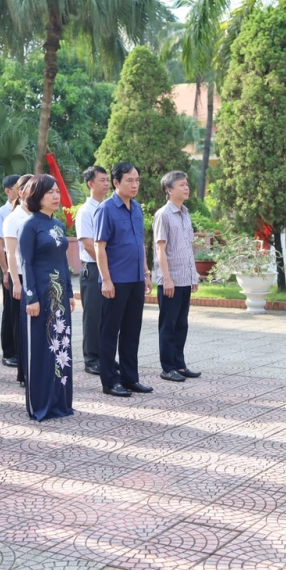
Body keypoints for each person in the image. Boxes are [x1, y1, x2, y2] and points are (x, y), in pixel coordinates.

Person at [94, 162, 153, 398]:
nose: (135, 184)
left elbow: (140, 244)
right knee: (110, 332)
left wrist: (146, 273)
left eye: (137, 180)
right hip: (115, 281)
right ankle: (110, 381)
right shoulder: (106, 209)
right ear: (116, 182)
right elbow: (100, 247)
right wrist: (106, 280)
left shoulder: (137, 208)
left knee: (132, 330)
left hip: (136, 280)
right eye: (129, 180)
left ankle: (130, 378)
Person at [19, 175, 75, 420]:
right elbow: (26, 263)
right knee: (42, 348)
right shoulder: (30, 225)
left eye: (56, 192)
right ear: (36, 195)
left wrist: (70, 293)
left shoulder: (59, 225)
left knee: (61, 346)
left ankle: (59, 402)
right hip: (40, 296)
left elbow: (63, 260)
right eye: (49, 192)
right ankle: (40, 404)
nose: (56, 196)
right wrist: (31, 297)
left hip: (59, 296)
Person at [152, 171, 201, 383]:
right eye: (181, 185)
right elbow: (160, 249)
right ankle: (167, 367)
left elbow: (187, 247)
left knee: (181, 324)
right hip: (170, 280)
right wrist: (167, 278)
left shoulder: (186, 213)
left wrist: (194, 275)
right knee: (168, 325)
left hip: (185, 278)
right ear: (169, 190)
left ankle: (180, 365)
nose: (186, 187)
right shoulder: (163, 215)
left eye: (186, 184)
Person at [75, 166, 109, 376]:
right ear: (90, 184)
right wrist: (107, 265)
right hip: (93, 268)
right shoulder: (85, 211)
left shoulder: (108, 208)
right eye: (102, 180)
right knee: (94, 315)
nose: (106, 183)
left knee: (108, 315)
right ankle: (92, 359)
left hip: (107, 267)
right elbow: (88, 244)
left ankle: (105, 357)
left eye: (108, 180)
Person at [3, 174, 34, 388]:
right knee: (21, 326)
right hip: (21, 277)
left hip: (37, 276)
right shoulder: (13, 218)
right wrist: (15, 282)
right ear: (21, 192)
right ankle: (24, 372)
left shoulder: (39, 216)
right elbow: (12, 254)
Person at [0, 175, 20, 368]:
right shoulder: (1, 213)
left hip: (24, 269)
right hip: (10, 269)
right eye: (18, 188)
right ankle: (8, 352)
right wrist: (5, 271)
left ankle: (20, 350)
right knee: (9, 311)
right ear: (8, 191)